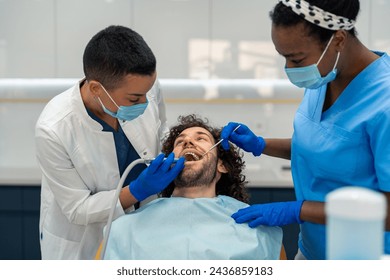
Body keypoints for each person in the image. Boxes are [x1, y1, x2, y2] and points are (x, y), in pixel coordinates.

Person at [221, 0, 390, 260]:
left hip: (368, 259)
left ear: (339, 39)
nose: (290, 69)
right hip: (312, 250)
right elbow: (324, 146)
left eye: (296, 59)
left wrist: (301, 210)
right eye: (284, 57)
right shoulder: (325, 77)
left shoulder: (384, 102)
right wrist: (261, 144)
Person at [35, 25, 184, 259]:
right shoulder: (54, 128)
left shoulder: (142, 86)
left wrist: (178, 147)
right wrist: (137, 190)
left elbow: (160, 129)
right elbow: (77, 208)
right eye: (135, 98)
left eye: (148, 92)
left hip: (144, 229)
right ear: (96, 88)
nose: (145, 102)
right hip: (85, 242)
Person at [103, 114, 283, 260]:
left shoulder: (258, 229)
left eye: (201, 138)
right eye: (180, 142)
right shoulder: (123, 229)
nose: (188, 143)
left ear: (222, 165)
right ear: (169, 162)